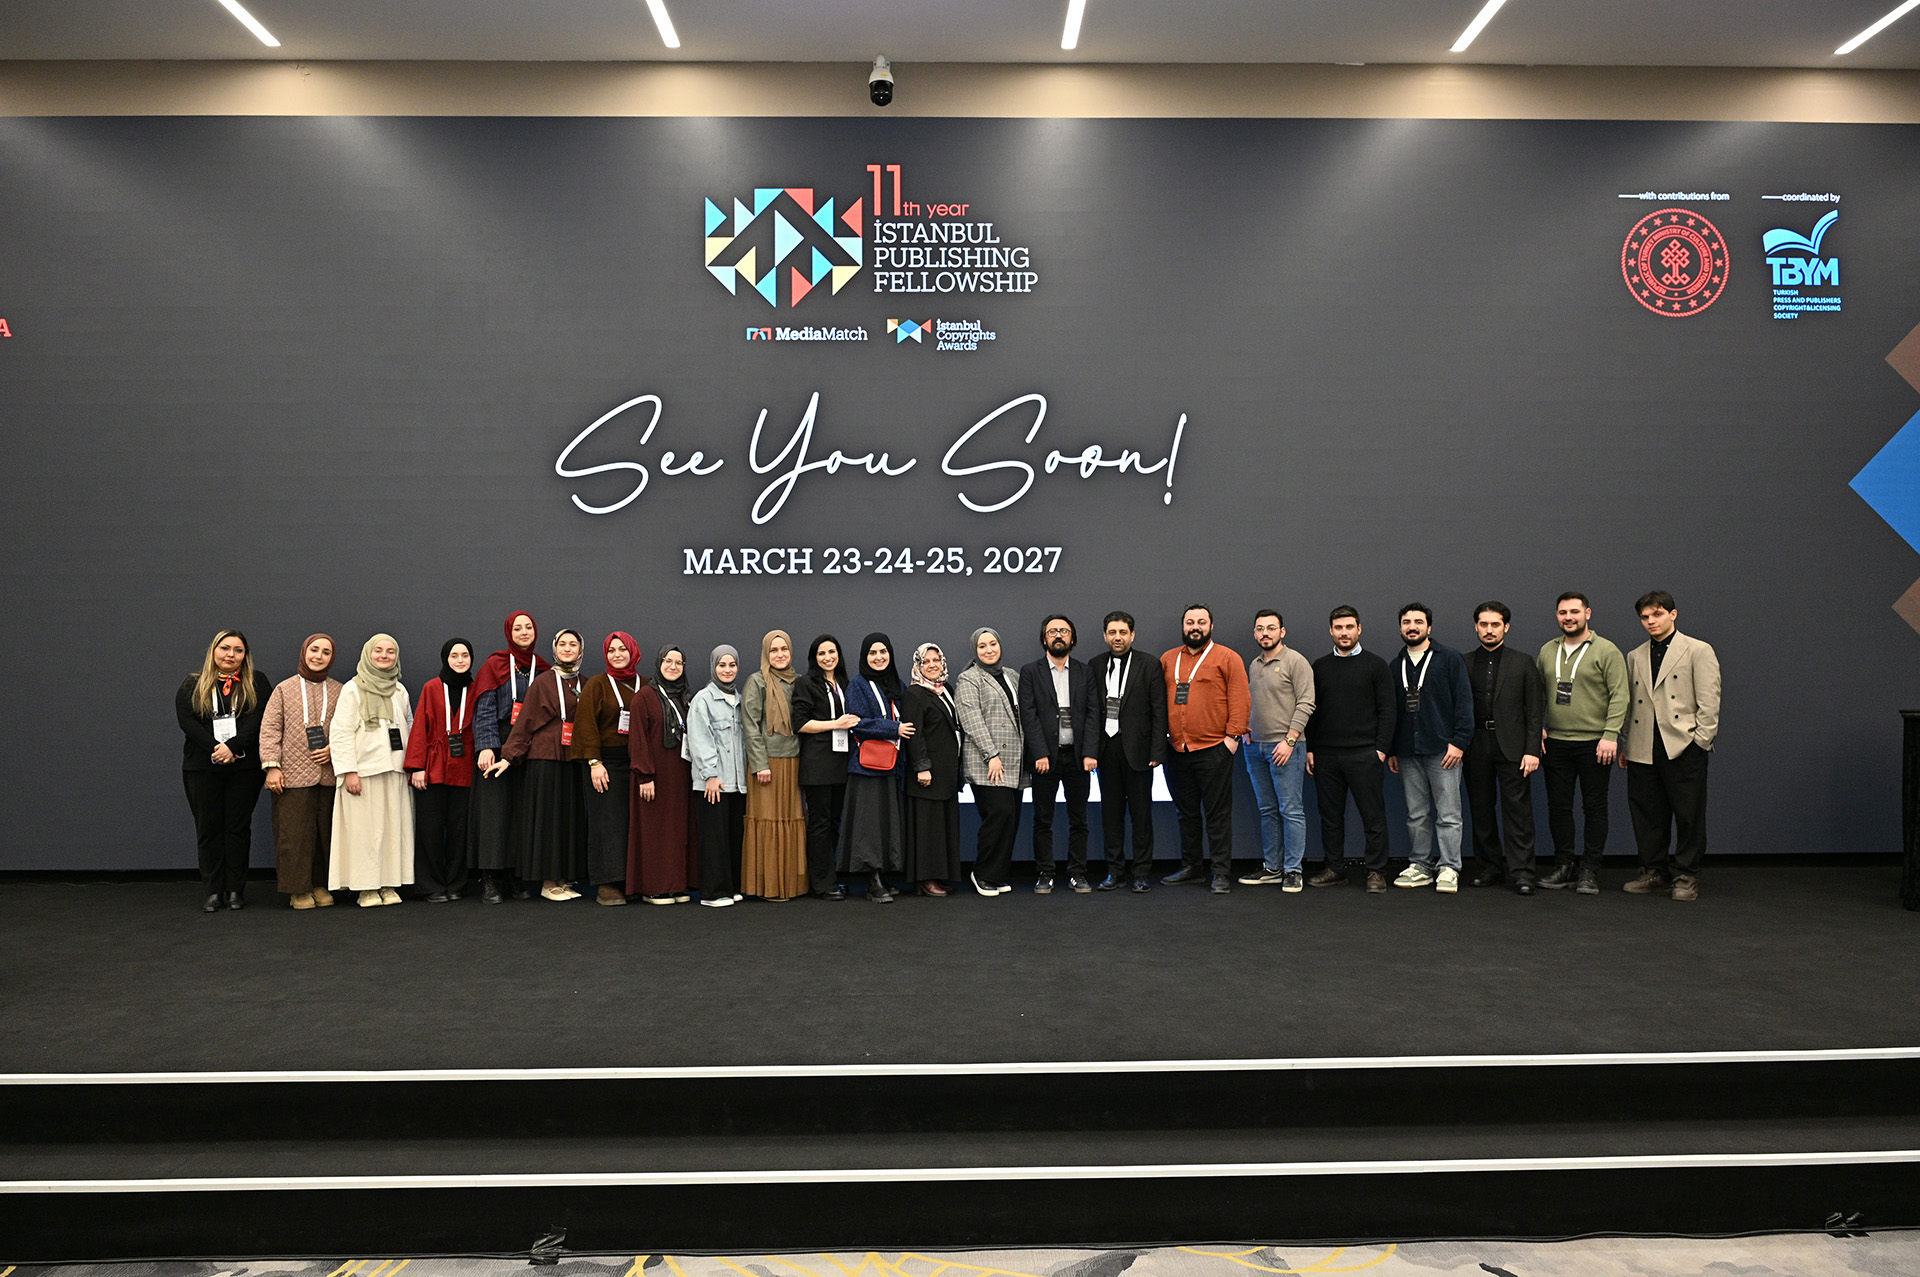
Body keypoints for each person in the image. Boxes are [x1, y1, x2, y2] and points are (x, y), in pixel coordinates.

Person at [1621, 591, 1721, 901]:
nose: (1651, 621)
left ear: (1672, 614)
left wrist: (1700, 741)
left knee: (1689, 813)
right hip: (1642, 744)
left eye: (1657, 614)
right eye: (1645, 617)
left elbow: (1709, 700)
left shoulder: (1697, 650)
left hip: (1681, 743)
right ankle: (1654, 870)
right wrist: (1626, 742)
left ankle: (1686, 874)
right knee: (1647, 813)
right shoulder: (1635, 655)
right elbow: (1630, 704)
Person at [1535, 592, 1629, 895]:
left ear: (1587, 613)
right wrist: (1537, 728)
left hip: (1595, 743)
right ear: (1557, 616)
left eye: (1574, 611)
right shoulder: (1548, 650)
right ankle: (1564, 865)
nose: (1568, 617)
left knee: (1594, 807)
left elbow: (1620, 695)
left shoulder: (1606, 650)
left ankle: (1589, 869)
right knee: (1559, 807)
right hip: (1556, 743)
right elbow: (1537, 694)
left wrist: (1611, 735)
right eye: (1563, 612)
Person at [489, 628, 587, 902]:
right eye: (562, 644)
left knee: (567, 821)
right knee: (548, 821)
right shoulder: (543, 682)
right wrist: (508, 757)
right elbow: (525, 723)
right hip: (545, 760)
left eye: (573, 645)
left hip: (572, 760)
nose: (567, 649)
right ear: (554, 650)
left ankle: (563, 879)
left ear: (580, 651)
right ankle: (548, 881)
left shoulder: (585, 684)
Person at [177, 629, 272, 912]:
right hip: (202, 767)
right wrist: (216, 748)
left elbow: (259, 719)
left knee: (237, 827)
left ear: (245, 655)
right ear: (214, 651)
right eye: (225, 648)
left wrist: (232, 746)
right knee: (208, 828)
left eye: (238, 650)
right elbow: (187, 721)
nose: (231, 654)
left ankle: (234, 890)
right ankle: (213, 890)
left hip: (244, 768)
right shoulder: (192, 683)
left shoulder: (256, 681)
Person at [1385, 604, 1475, 894]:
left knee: (1448, 814)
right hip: (1407, 752)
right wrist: (1393, 749)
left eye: (1418, 622)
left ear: (1429, 627)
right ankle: (1420, 865)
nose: (1412, 627)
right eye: (1406, 622)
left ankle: (1449, 867)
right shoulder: (1395, 665)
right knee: (1416, 814)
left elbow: (1464, 702)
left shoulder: (1449, 658)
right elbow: (1392, 711)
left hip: (1443, 750)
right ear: (1400, 627)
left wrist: (1459, 743)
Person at [1160, 604, 1250, 894]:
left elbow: (1240, 699)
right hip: (1177, 750)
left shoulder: (1227, 657)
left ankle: (1220, 873)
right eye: (1190, 622)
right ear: (1183, 626)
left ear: (1211, 626)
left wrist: (1232, 739)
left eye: (1201, 622)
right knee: (1185, 814)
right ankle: (1192, 868)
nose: (1195, 627)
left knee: (1217, 815)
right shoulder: (1168, 659)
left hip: (1214, 749)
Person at [1306, 607, 1395, 892]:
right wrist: (1311, 748)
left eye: (1349, 627)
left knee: (1373, 817)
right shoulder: (1320, 666)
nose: (1344, 633)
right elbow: (1312, 710)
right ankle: (1335, 869)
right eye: (1338, 628)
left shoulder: (1376, 665)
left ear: (1359, 629)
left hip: (1365, 754)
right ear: (1331, 631)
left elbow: (1388, 710)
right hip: (1326, 756)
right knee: (1330, 817)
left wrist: (1381, 749)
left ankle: (1376, 872)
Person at [1078, 611, 1166, 893]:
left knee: (1141, 816)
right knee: (1110, 815)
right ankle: (1114, 872)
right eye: (1112, 633)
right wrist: (1090, 751)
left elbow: (1159, 710)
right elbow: (1090, 712)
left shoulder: (1149, 664)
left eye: (1123, 632)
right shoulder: (1095, 665)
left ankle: (1141, 873)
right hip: (1106, 751)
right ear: (1105, 636)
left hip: (1139, 751)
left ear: (1132, 635)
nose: (1118, 637)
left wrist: (1157, 750)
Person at [1463, 602, 1546, 895]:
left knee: (1518, 813)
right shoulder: (1464, 662)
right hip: (1475, 745)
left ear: (1506, 627)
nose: (1489, 630)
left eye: (1495, 625)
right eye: (1484, 624)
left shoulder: (1522, 662)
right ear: (1476, 626)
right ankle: (1490, 868)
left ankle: (1522, 873)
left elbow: (1534, 709)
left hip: (1513, 746)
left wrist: (1532, 750)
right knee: (1481, 810)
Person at [469, 610, 550, 904]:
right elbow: (484, 707)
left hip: (530, 745)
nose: (524, 632)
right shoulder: (495, 665)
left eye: (528, 627)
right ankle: (490, 878)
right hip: (498, 740)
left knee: (520, 812)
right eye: (518, 628)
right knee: (494, 813)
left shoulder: (543, 669)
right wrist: (486, 746)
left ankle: (516, 876)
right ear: (509, 633)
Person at [328, 634, 415, 907]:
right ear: (368, 653)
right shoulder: (353, 689)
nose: (384, 656)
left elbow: (409, 726)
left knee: (392, 831)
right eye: (378, 650)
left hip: (395, 771)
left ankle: (389, 884)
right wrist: (348, 771)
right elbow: (340, 732)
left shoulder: (399, 690)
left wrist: (413, 765)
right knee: (364, 833)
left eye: (390, 651)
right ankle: (366, 888)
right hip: (363, 774)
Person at [260, 633, 341, 910]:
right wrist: (272, 766)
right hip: (292, 777)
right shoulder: (284, 689)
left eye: (326, 652)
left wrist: (333, 750)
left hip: (329, 776)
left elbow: (349, 729)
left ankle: (319, 884)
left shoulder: (341, 690)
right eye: (314, 650)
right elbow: (270, 729)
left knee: (324, 834)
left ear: (332, 658)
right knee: (294, 834)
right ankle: (298, 889)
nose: (319, 656)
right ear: (304, 652)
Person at [1239, 610, 1315, 893]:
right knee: (1267, 810)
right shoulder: (1254, 664)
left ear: (1282, 632)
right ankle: (1273, 867)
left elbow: (1307, 702)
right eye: (1260, 628)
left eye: (1271, 628)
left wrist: (1290, 740)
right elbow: (1250, 701)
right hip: (1255, 748)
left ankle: (1293, 870)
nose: (1265, 633)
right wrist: (1245, 729)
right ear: (1255, 633)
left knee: (1291, 810)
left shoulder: (1295, 661)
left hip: (1286, 747)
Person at [838, 633, 914, 902]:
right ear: (864, 656)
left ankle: (883, 874)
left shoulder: (897, 684)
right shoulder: (858, 684)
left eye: (883, 652)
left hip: (892, 766)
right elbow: (856, 722)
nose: (879, 657)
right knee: (869, 824)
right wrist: (894, 728)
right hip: (867, 768)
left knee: (887, 822)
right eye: (872, 653)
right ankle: (872, 882)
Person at [1019, 614, 1092, 893]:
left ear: (1072, 638)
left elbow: (1093, 714)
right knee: (1042, 819)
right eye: (1052, 632)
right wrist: (1039, 752)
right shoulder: (1030, 672)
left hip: (1078, 757)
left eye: (1063, 631)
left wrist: (1089, 752)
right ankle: (1045, 872)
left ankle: (1077, 873)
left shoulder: (1085, 672)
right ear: (1044, 639)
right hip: (1045, 759)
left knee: (1079, 820)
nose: (1058, 635)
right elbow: (1029, 715)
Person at [572, 631, 644, 906]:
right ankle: (608, 883)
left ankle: (634, 881)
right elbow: (585, 724)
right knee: (608, 823)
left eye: (622, 649)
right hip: (605, 764)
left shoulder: (646, 684)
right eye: (612, 650)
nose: (617, 654)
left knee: (634, 823)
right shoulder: (597, 684)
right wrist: (594, 762)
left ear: (633, 652)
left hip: (637, 763)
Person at [403, 638, 476, 903]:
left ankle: (457, 884)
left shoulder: (477, 689)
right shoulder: (431, 687)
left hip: (465, 768)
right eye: (454, 655)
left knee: (460, 831)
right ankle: (430, 885)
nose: (460, 660)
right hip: (433, 767)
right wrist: (417, 767)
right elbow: (419, 728)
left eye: (465, 655)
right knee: (430, 830)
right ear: (446, 658)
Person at [955, 626, 1026, 896]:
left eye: (993, 644)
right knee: (998, 814)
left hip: (1015, 763)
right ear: (975, 650)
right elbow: (971, 720)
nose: (989, 650)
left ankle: (996, 875)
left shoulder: (1012, 676)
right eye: (982, 646)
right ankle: (982, 873)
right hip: (988, 763)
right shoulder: (969, 678)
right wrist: (991, 755)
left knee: (1010, 819)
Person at [741, 629, 808, 902]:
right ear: (766, 654)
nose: (780, 655)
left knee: (792, 821)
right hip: (767, 766)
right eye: (774, 650)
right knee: (768, 822)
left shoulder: (800, 682)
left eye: (784, 649)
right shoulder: (756, 681)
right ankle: (769, 886)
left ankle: (791, 885)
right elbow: (750, 726)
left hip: (795, 763)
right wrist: (760, 764)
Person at [630, 645, 699, 904]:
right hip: (654, 775)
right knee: (655, 830)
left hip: (680, 775)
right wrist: (644, 776)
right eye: (668, 661)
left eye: (678, 663)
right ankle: (654, 887)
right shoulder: (644, 697)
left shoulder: (686, 697)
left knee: (676, 830)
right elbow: (637, 739)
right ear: (659, 663)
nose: (673, 666)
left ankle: (675, 885)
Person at [791, 634, 857, 900]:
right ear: (814, 658)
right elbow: (799, 723)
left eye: (832, 652)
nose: (827, 657)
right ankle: (821, 884)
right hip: (817, 764)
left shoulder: (844, 683)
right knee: (819, 824)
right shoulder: (806, 683)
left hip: (841, 762)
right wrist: (835, 724)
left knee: (834, 823)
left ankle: (831, 878)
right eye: (821, 653)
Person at [902, 642, 964, 896]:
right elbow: (914, 735)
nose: (932, 665)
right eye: (925, 661)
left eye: (936, 660)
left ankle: (939, 875)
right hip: (927, 775)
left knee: (941, 828)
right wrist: (922, 767)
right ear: (918, 665)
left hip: (945, 774)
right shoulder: (915, 694)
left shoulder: (944, 689)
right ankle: (924, 879)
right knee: (927, 829)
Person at [688, 644, 747, 907]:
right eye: (722, 665)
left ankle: (730, 887)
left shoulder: (740, 700)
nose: (727, 670)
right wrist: (710, 775)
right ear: (713, 667)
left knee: (733, 837)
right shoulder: (703, 699)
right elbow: (699, 740)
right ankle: (712, 893)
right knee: (714, 839)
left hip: (736, 783)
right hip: (713, 782)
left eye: (732, 665)